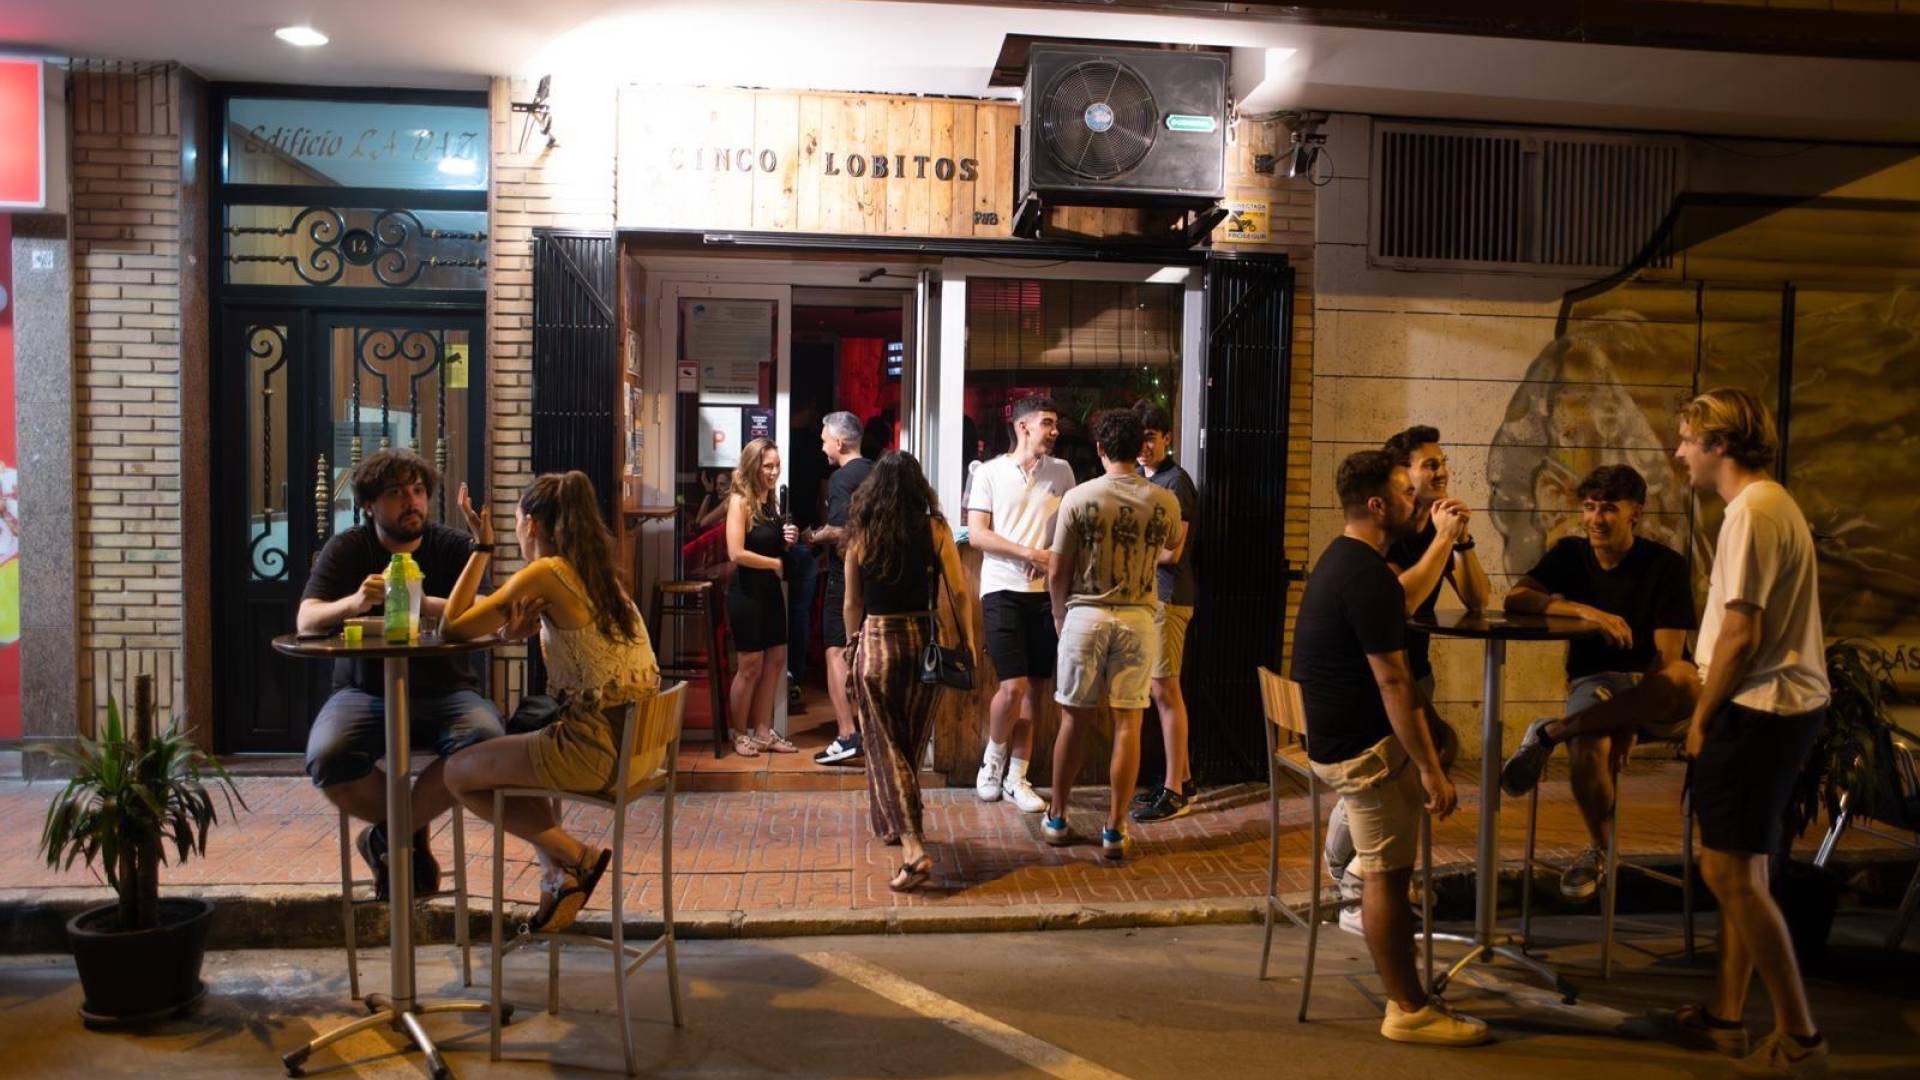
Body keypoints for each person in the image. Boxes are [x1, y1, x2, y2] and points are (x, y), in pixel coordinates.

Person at [1290, 450, 1487, 1046]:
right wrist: (1430, 771)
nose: (1417, 499)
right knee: (1388, 879)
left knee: (1440, 739)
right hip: (1362, 751)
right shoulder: (1367, 575)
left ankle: (1362, 879)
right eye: (1406, 492)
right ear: (1377, 505)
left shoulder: (1344, 559)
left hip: (1335, 738)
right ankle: (1408, 1008)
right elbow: (1395, 683)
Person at [1668, 388, 1831, 1077]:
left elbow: (1741, 632)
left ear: (1720, 445)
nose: (1680, 452)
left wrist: (1701, 718)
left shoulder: (1752, 513)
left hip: (1756, 709)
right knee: (1744, 868)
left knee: (1726, 871)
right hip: (1777, 707)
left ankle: (1799, 1037)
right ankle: (1727, 1018)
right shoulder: (1767, 505)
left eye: (1687, 439)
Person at [439, 471, 661, 933]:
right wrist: (513, 634)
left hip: (597, 748)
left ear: (532, 525)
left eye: (515, 523)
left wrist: (481, 546)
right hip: (638, 749)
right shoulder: (597, 577)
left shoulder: (547, 572)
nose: (516, 533)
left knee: (457, 773)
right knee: (522, 738)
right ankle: (557, 880)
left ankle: (578, 857)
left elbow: (452, 627)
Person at [296, 449, 504, 900]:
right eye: (395, 493)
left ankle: (387, 836)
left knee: (486, 744)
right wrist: (354, 602)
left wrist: (417, 600)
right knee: (327, 757)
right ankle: (409, 833)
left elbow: (487, 611)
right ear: (369, 504)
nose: (411, 501)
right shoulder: (348, 548)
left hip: (447, 690)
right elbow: (306, 620)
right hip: (363, 691)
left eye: (418, 490)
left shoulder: (453, 546)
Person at [1496, 464, 1700, 900]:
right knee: (1589, 748)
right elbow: (1516, 598)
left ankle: (1551, 732)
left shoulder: (1665, 565)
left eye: (1608, 508)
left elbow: (1667, 660)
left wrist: (1627, 722)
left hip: (1655, 688)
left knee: (1685, 676)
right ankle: (1600, 850)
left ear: (1635, 513)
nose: (1595, 518)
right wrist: (1587, 612)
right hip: (1597, 682)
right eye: (1589, 507)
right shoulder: (1570, 554)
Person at [1325, 425, 1479, 931]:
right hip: (1381, 679)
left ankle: (1358, 874)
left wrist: (1462, 540)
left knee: (1435, 749)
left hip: (1413, 671)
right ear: (1399, 479)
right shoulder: (1388, 535)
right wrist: (1442, 541)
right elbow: (1400, 599)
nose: (1441, 472)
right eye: (1428, 465)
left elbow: (1478, 599)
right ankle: (1359, 881)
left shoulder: (1431, 527)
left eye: (1442, 462)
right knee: (1421, 759)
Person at [1041, 409, 1183, 860]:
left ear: (1100, 448)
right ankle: (1116, 828)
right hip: (1139, 617)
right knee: (1129, 724)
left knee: (1073, 720)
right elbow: (1171, 546)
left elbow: (1058, 569)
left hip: (1086, 614)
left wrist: (1059, 615)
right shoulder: (1165, 500)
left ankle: (1057, 816)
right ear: (1139, 447)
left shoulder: (1079, 498)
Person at [843, 452, 976, 891]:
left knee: (887, 749)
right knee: (908, 747)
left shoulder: (862, 532)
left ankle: (913, 847)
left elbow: (852, 603)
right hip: (924, 646)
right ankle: (898, 824)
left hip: (878, 645)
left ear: (874, 489)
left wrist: (851, 646)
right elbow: (959, 591)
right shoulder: (936, 529)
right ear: (919, 488)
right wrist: (968, 642)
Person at [966, 395, 1076, 814]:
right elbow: (978, 534)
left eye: (1055, 423)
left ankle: (1018, 776)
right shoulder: (989, 472)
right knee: (1011, 687)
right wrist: (1029, 553)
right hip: (1001, 589)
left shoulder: (1062, 471)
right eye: (1047, 422)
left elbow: (1070, 528)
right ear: (1023, 426)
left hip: (1046, 595)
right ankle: (992, 762)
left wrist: (1051, 556)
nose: (1054, 430)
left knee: (1035, 690)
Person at [1129, 399, 1200, 824]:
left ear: (1167, 438)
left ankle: (1175, 792)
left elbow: (1173, 552)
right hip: (1150, 597)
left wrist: (1130, 553)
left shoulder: (1176, 483)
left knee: (1165, 690)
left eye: (1151, 438)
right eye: (1139, 440)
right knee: (1159, 690)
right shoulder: (1143, 477)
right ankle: (1181, 779)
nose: (1144, 447)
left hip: (1169, 597)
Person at [807, 412, 876, 766]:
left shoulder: (840, 479)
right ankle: (872, 731)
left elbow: (841, 531)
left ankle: (848, 734)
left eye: (824, 441)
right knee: (868, 652)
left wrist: (813, 536)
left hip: (845, 576)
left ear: (839, 442)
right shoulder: (878, 473)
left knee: (836, 651)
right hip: (876, 576)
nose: (822, 448)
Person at [724, 437, 800, 756]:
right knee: (750, 665)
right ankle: (739, 733)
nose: (774, 472)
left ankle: (763, 732)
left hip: (769, 591)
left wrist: (788, 540)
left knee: (777, 659)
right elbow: (736, 553)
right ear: (753, 466)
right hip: (746, 593)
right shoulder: (740, 501)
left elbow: (770, 544)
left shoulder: (770, 502)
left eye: (777, 465)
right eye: (768, 466)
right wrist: (776, 564)